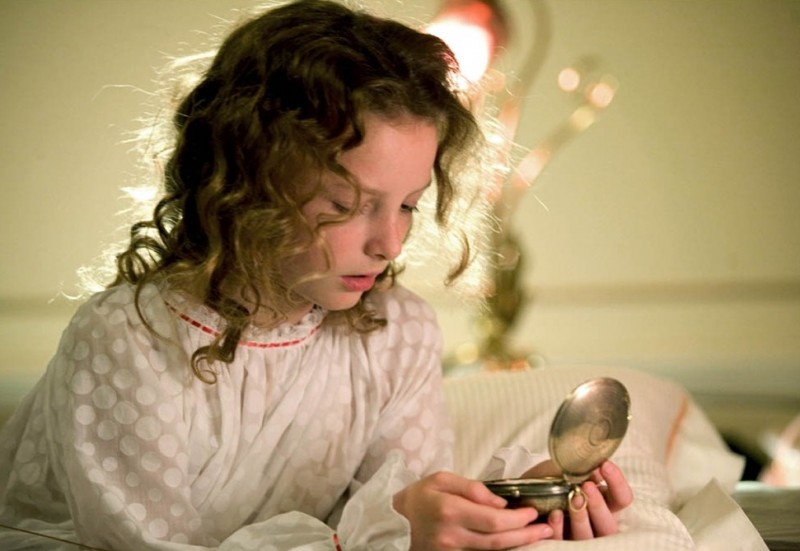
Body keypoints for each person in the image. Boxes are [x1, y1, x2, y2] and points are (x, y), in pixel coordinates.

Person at [0, 1, 632, 549]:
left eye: (408, 205)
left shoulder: (396, 332)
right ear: (248, 179)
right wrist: (360, 540)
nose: (389, 244)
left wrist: (510, 505)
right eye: (346, 205)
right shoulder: (129, 338)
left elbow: (395, 513)